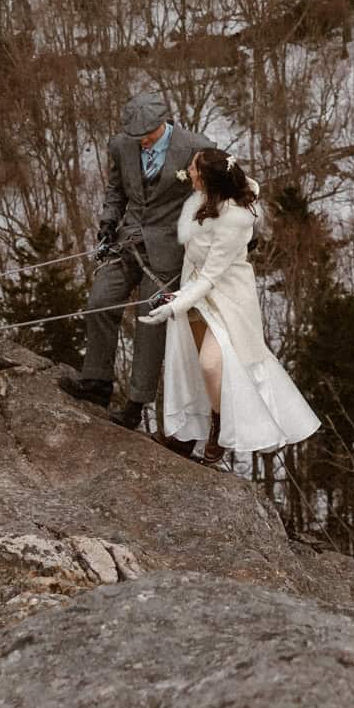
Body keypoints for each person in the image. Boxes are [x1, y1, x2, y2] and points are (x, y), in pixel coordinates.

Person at [140, 148, 320, 466]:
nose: (189, 171)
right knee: (189, 364)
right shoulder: (203, 197)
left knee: (213, 365)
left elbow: (211, 275)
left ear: (209, 178)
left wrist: (175, 304)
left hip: (226, 297)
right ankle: (182, 435)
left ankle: (220, 423)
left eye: (194, 168)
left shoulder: (235, 218)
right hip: (194, 287)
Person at [59, 91, 215, 430]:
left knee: (150, 320)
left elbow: (223, 193)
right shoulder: (121, 145)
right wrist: (107, 224)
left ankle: (135, 403)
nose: (141, 141)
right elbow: (116, 190)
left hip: (169, 253)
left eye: (147, 134)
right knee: (99, 301)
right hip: (126, 241)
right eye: (136, 135)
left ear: (163, 124)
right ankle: (96, 383)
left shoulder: (196, 147)